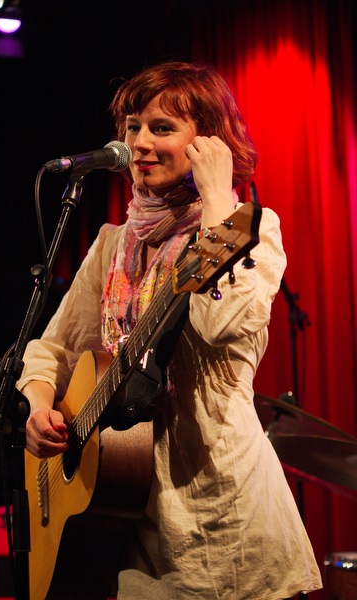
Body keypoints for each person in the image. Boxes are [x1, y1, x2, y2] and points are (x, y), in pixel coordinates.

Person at [17, 60, 323, 599]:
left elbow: (220, 323)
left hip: (220, 520)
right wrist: (40, 406)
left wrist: (217, 199)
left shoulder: (249, 228)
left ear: (210, 143)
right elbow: (52, 349)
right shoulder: (112, 244)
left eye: (162, 128)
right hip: (127, 518)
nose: (139, 143)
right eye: (133, 126)